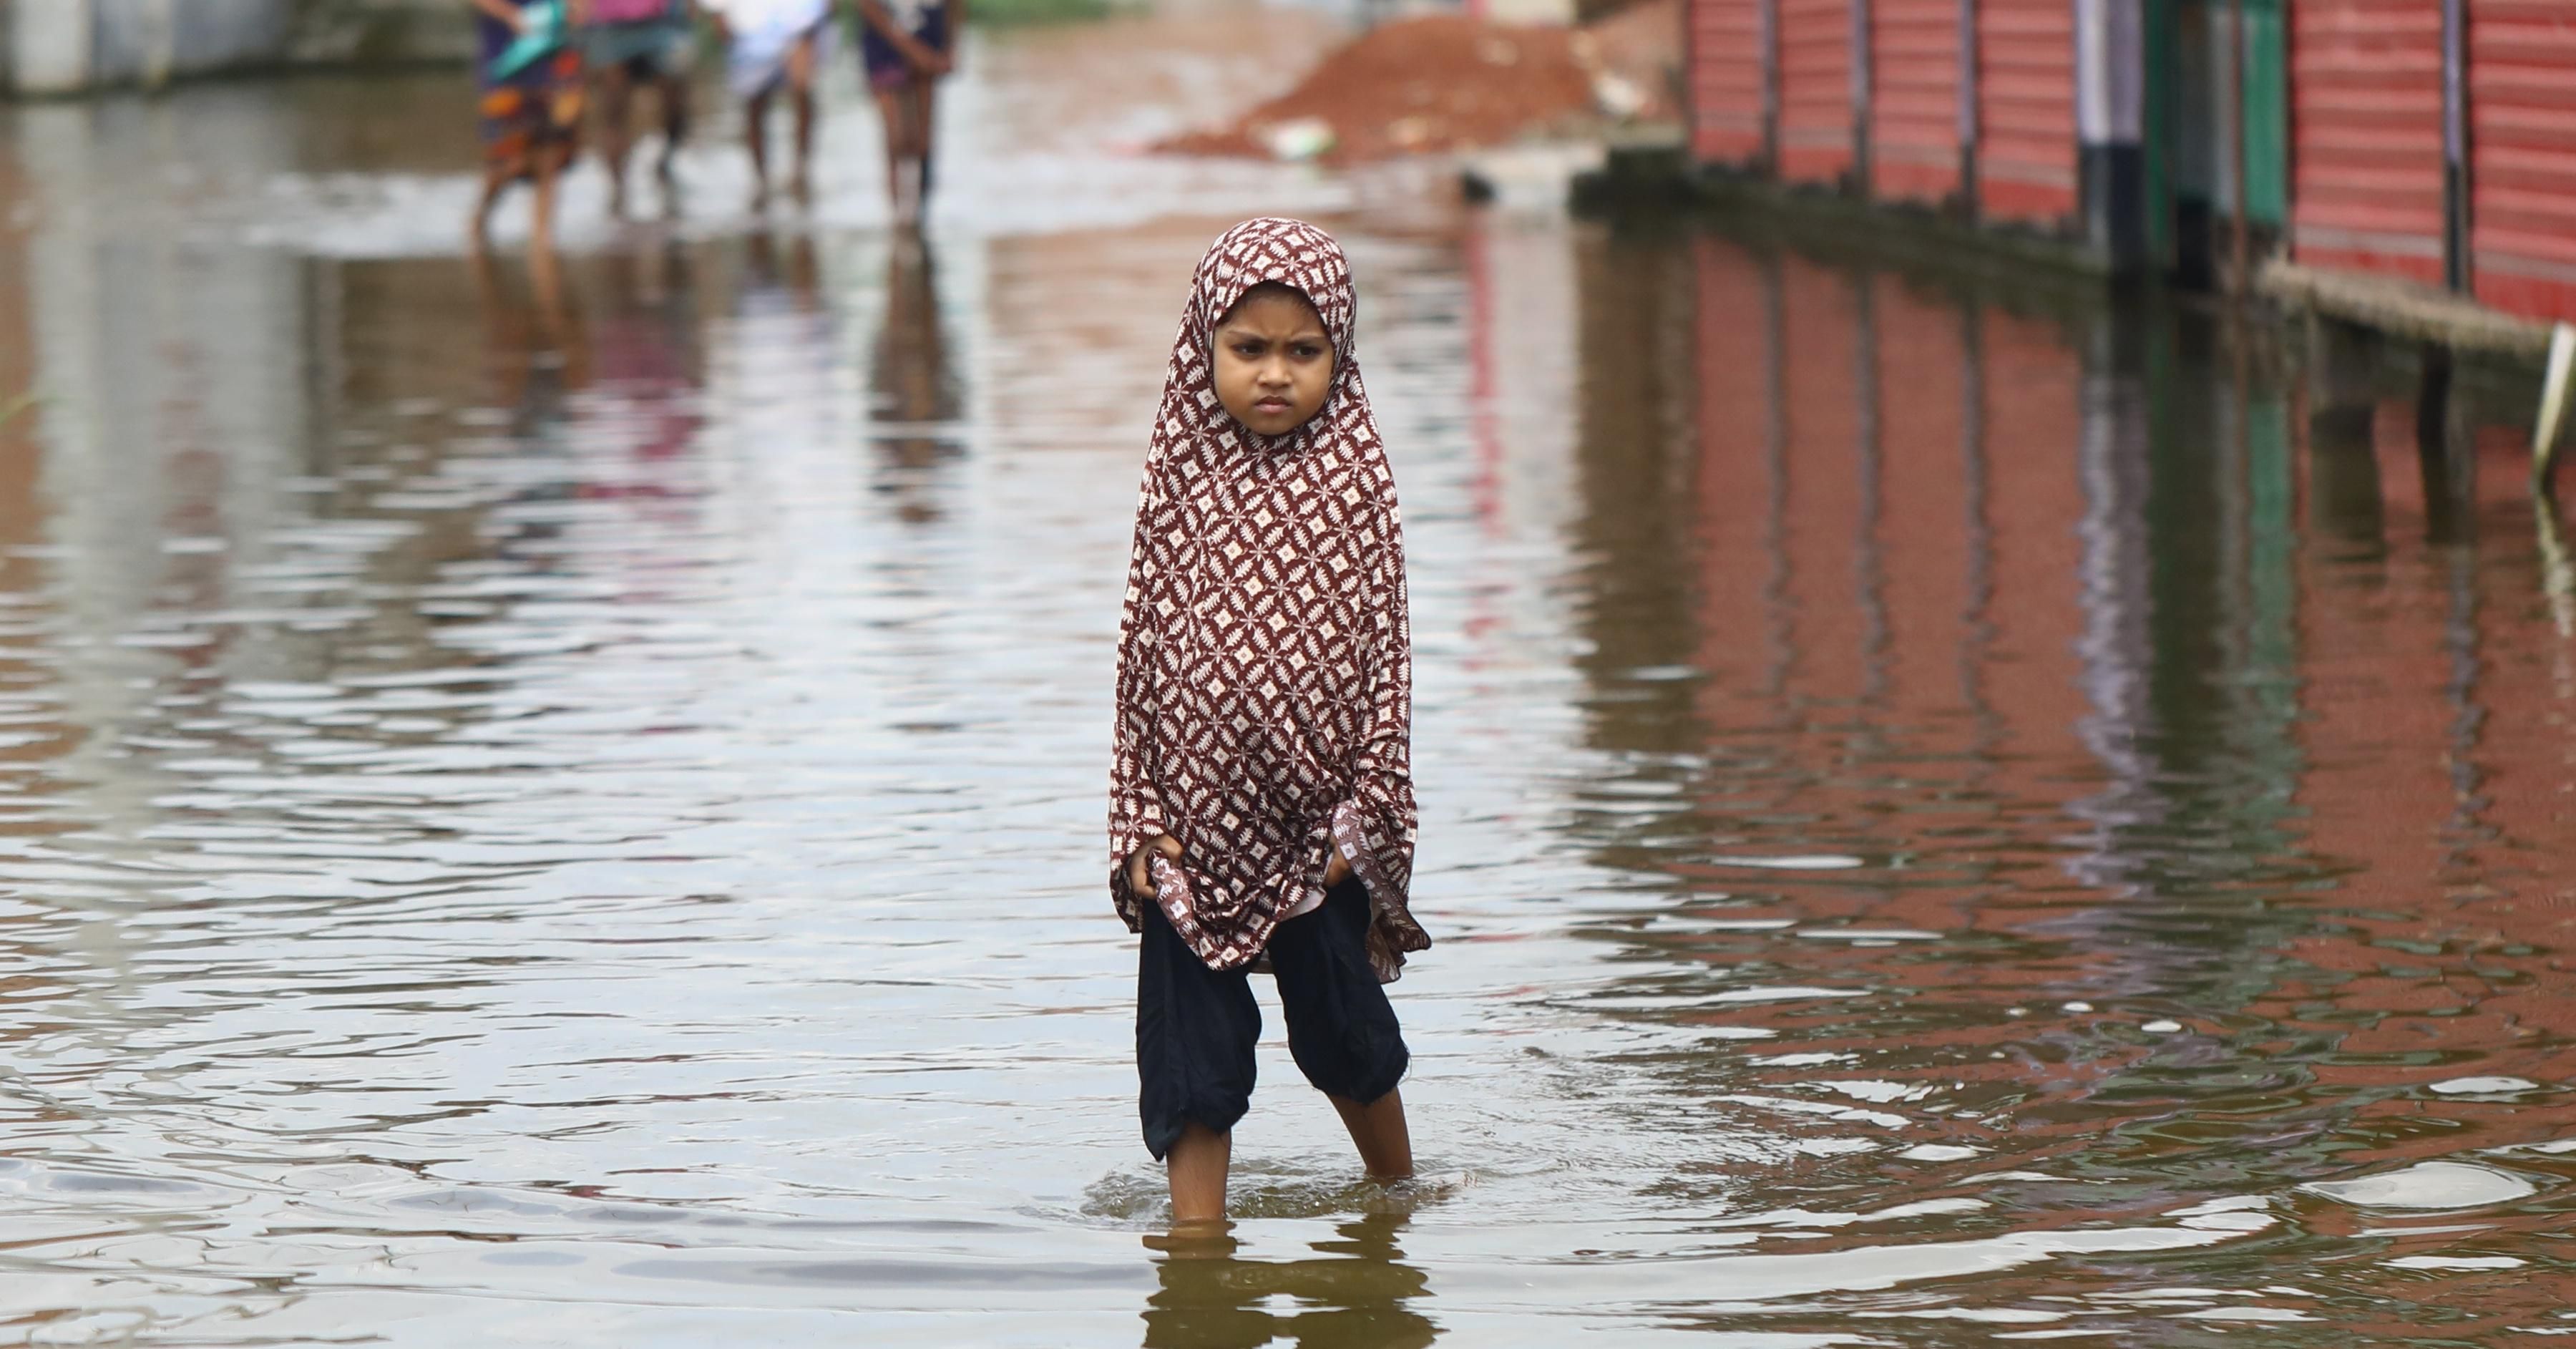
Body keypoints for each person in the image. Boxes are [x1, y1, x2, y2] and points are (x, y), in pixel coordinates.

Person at [1109, 218, 1432, 1224]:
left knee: (1348, 1037)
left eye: (1304, 350)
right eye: (1248, 348)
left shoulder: (1357, 482)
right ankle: (1196, 1254)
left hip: (1318, 822)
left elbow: (1388, 666)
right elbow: (1141, 658)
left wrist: (1369, 813)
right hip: (1190, 823)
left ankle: (1399, 1202)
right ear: (1203, 348)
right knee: (1190, 1066)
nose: (1276, 375)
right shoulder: (1180, 477)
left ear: (1339, 350)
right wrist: (1136, 817)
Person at [469, 0, 590, 252]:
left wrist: (577, 8)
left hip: (552, 60)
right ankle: (479, 223)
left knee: (553, 150)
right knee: (507, 159)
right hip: (506, 58)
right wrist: (512, 15)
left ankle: (542, 240)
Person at [702, 0, 833, 205]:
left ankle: (801, 172)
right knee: (754, 106)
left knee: (802, 92)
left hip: (800, 21)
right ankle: (760, 179)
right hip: (749, 28)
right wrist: (719, 14)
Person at [585, 0, 697, 217]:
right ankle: (618, 188)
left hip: (661, 23)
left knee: (676, 102)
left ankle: (665, 161)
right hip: (611, 28)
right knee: (613, 110)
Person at [855, 0, 960, 224]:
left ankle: (920, 218)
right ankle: (898, 221)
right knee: (896, 139)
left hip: (929, 34)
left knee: (923, 142)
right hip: (883, 41)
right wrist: (912, 49)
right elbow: (866, 6)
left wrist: (951, 44)